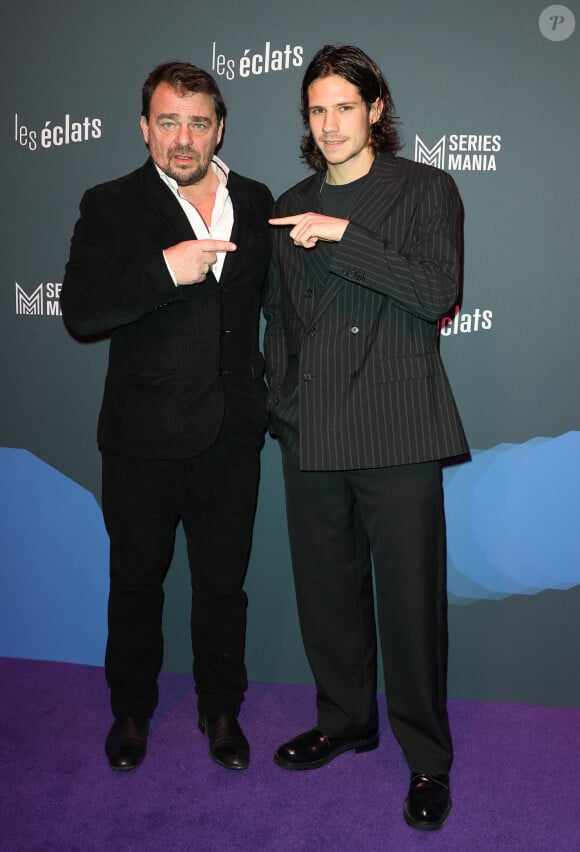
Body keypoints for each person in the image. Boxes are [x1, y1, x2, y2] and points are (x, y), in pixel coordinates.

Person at [263, 45, 468, 830]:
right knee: (326, 596)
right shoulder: (289, 200)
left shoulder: (426, 189)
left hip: (396, 428)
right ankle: (345, 718)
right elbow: (278, 318)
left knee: (410, 607)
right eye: (317, 109)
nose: (330, 123)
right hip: (311, 430)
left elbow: (434, 290)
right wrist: (281, 404)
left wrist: (342, 233)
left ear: (376, 111)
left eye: (345, 106)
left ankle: (426, 761)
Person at [61, 62, 272, 773]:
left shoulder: (255, 198)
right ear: (145, 127)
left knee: (222, 587)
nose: (184, 139)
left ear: (220, 127)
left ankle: (221, 709)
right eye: (169, 121)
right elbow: (82, 312)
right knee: (136, 584)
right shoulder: (110, 202)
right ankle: (131, 710)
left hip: (232, 436)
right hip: (142, 441)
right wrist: (164, 269)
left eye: (199, 122)